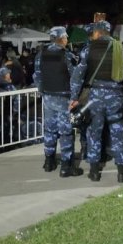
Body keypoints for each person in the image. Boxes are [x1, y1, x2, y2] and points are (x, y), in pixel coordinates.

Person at [70, 20, 123, 183]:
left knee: (94, 132)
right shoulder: (122, 48)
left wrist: (74, 98)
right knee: (117, 132)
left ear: (97, 32)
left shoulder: (88, 49)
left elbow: (77, 76)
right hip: (115, 96)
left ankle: (94, 172)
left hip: (94, 97)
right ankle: (122, 172)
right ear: (108, 32)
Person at [34, 26, 83, 178]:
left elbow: (37, 76)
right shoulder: (67, 55)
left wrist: (43, 91)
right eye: (66, 37)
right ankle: (66, 167)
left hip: (48, 97)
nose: (67, 39)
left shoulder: (41, 54)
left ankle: (49, 162)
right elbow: (75, 79)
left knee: (50, 129)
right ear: (61, 38)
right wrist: (75, 98)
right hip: (63, 99)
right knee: (66, 132)